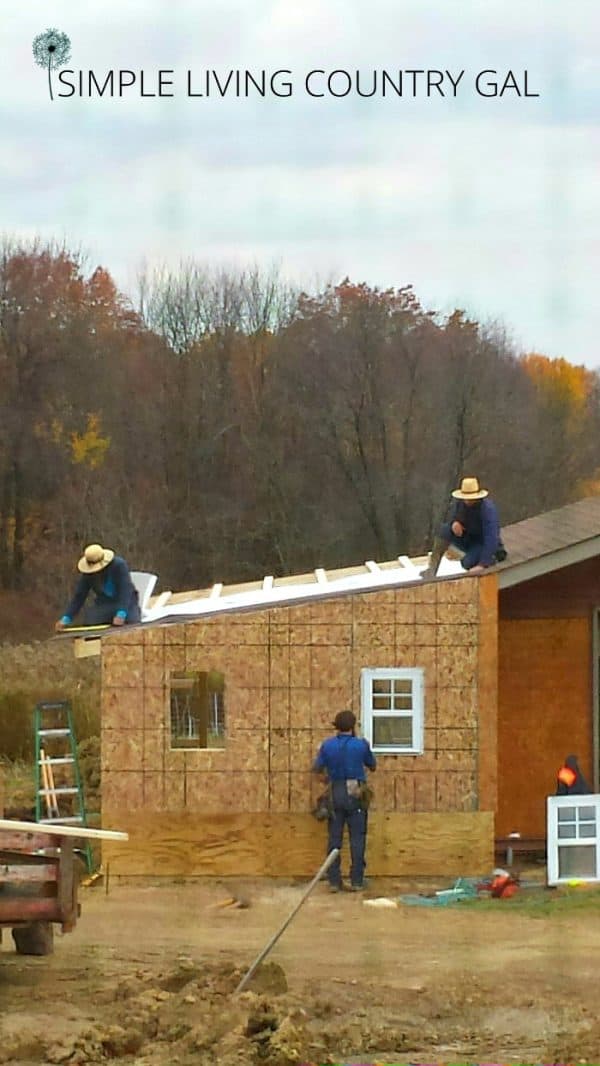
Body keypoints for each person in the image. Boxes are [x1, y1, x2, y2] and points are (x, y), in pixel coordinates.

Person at [312, 710, 376, 892]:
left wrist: (327, 780)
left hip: (335, 791)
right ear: (353, 726)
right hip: (355, 792)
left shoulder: (327, 745)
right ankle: (357, 881)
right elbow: (372, 765)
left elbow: (316, 769)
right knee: (357, 837)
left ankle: (334, 881)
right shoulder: (361, 745)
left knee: (334, 838)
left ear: (336, 727)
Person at [423, 476, 506, 578]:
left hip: (482, 542)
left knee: (467, 563)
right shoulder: (460, 504)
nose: (467, 501)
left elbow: (492, 537)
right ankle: (432, 569)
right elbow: (452, 518)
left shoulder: (487, 510)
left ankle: (493, 558)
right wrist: (454, 523)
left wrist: (482, 564)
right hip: (468, 538)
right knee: (444, 530)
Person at [55, 543, 141, 630]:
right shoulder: (88, 574)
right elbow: (80, 596)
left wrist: (121, 614)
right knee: (90, 622)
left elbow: (125, 590)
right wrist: (66, 618)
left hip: (127, 604)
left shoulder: (119, 565)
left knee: (132, 624)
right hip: (104, 605)